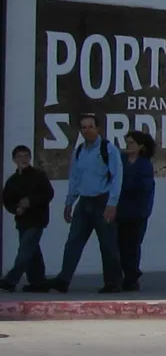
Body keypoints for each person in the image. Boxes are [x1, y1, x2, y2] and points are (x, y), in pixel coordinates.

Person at [46, 113, 124, 293]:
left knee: (108, 244)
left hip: (102, 200)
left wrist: (112, 204)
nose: (87, 130)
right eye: (83, 127)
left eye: (90, 127)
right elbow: (75, 178)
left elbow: (117, 177)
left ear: (98, 129)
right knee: (73, 241)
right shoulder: (79, 150)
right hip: (84, 202)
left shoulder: (108, 149)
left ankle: (113, 282)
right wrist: (69, 202)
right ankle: (63, 280)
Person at [0, 145, 53, 292]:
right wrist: (16, 209)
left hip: (37, 220)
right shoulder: (12, 181)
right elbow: (7, 200)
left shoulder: (39, 175)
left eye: (26, 156)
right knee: (32, 250)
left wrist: (31, 201)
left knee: (24, 251)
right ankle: (38, 282)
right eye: (19, 156)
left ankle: (10, 280)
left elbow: (48, 193)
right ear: (14, 160)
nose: (23, 159)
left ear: (30, 158)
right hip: (22, 221)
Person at [116, 131, 157, 293]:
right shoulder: (122, 160)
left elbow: (142, 187)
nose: (128, 146)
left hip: (137, 211)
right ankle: (120, 276)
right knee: (119, 245)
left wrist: (125, 186)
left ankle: (132, 278)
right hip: (121, 210)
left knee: (132, 246)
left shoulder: (144, 164)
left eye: (132, 143)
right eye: (127, 143)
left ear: (141, 146)